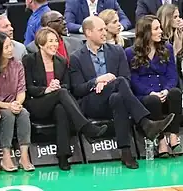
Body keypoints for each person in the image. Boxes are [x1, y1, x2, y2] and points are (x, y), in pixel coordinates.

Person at [69, 16, 175, 169]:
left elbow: (126, 78)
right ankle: (145, 122)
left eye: (105, 29)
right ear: (88, 32)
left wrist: (107, 84)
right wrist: (97, 81)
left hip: (114, 97)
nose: (105, 33)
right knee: (118, 82)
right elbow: (77, 89)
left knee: (118, 97)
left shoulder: (117, 51)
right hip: (92, 102)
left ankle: (126, 153)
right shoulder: (76, 58)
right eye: (100, 30)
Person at [22, 27, 108, 171]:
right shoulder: (29, 60)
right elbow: (28, 87)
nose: (54, 44)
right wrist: (47, 89)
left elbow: (67, 86)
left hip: (56, 101)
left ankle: (63, 156)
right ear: (41, 43)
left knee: (61, 109)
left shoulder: (61, 61)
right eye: (50, 41)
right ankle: (86, 127)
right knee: (61, 94)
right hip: (36, 103)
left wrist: (57, 85)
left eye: (56, 41)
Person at [125, 15, 182, 157]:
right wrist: (151, 92)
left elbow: (172, 75)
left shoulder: (167, 48)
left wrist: (166, 90)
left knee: (175, 92)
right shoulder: (130, 53)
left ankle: (174, 136)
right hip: (146, 96)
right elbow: (134, 80)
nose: (161, 31)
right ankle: (161, 140)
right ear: (146, 32)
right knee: (153, 100)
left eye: (160, 28)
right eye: (156, 28)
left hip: (164, 91)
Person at [0, 31, 35, 172]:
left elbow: (21, 91)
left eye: (11, 46)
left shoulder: (18, 65)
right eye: (6, 47)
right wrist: (8, 106)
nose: (11, 50)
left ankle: (24, 156)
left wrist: (17, 103)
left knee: (24, 114)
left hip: (14, 104)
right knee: (8, 115)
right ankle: (6, 156)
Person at [64, 0, 131, 34]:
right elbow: (67, 24)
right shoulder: (73, 2)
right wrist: (86, 29)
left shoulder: (110, 1)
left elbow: (125, 20)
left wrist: (118, 27)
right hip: (83, 41)